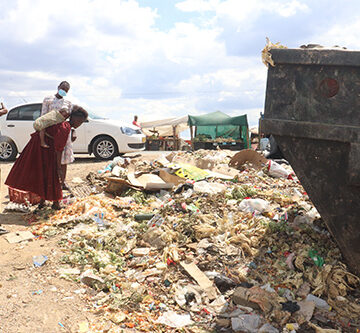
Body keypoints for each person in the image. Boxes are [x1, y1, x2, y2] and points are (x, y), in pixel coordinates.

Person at [5, 105, 88, 210]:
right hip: (41, 148)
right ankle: (56, 204)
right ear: (75, 118)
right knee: (53, 174)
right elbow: (59, 149)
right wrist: (58, 167)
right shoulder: (64, 127)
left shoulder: (65, 125)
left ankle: (43, 201)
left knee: (46, 173)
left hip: (44, 148)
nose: (79, 125)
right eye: (80, 122)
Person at [41, 81, 72, 186]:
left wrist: (73, 131)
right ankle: (51, 183)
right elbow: (43, 117)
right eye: (62, 89)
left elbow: (70, 120)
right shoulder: (48, 100)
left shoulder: (68, 103)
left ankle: (62, 182)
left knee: (63, 158)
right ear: (58, 87)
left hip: (63, 133)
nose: (63, 91)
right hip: (51, 133)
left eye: (66, 91)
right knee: (52, 159)